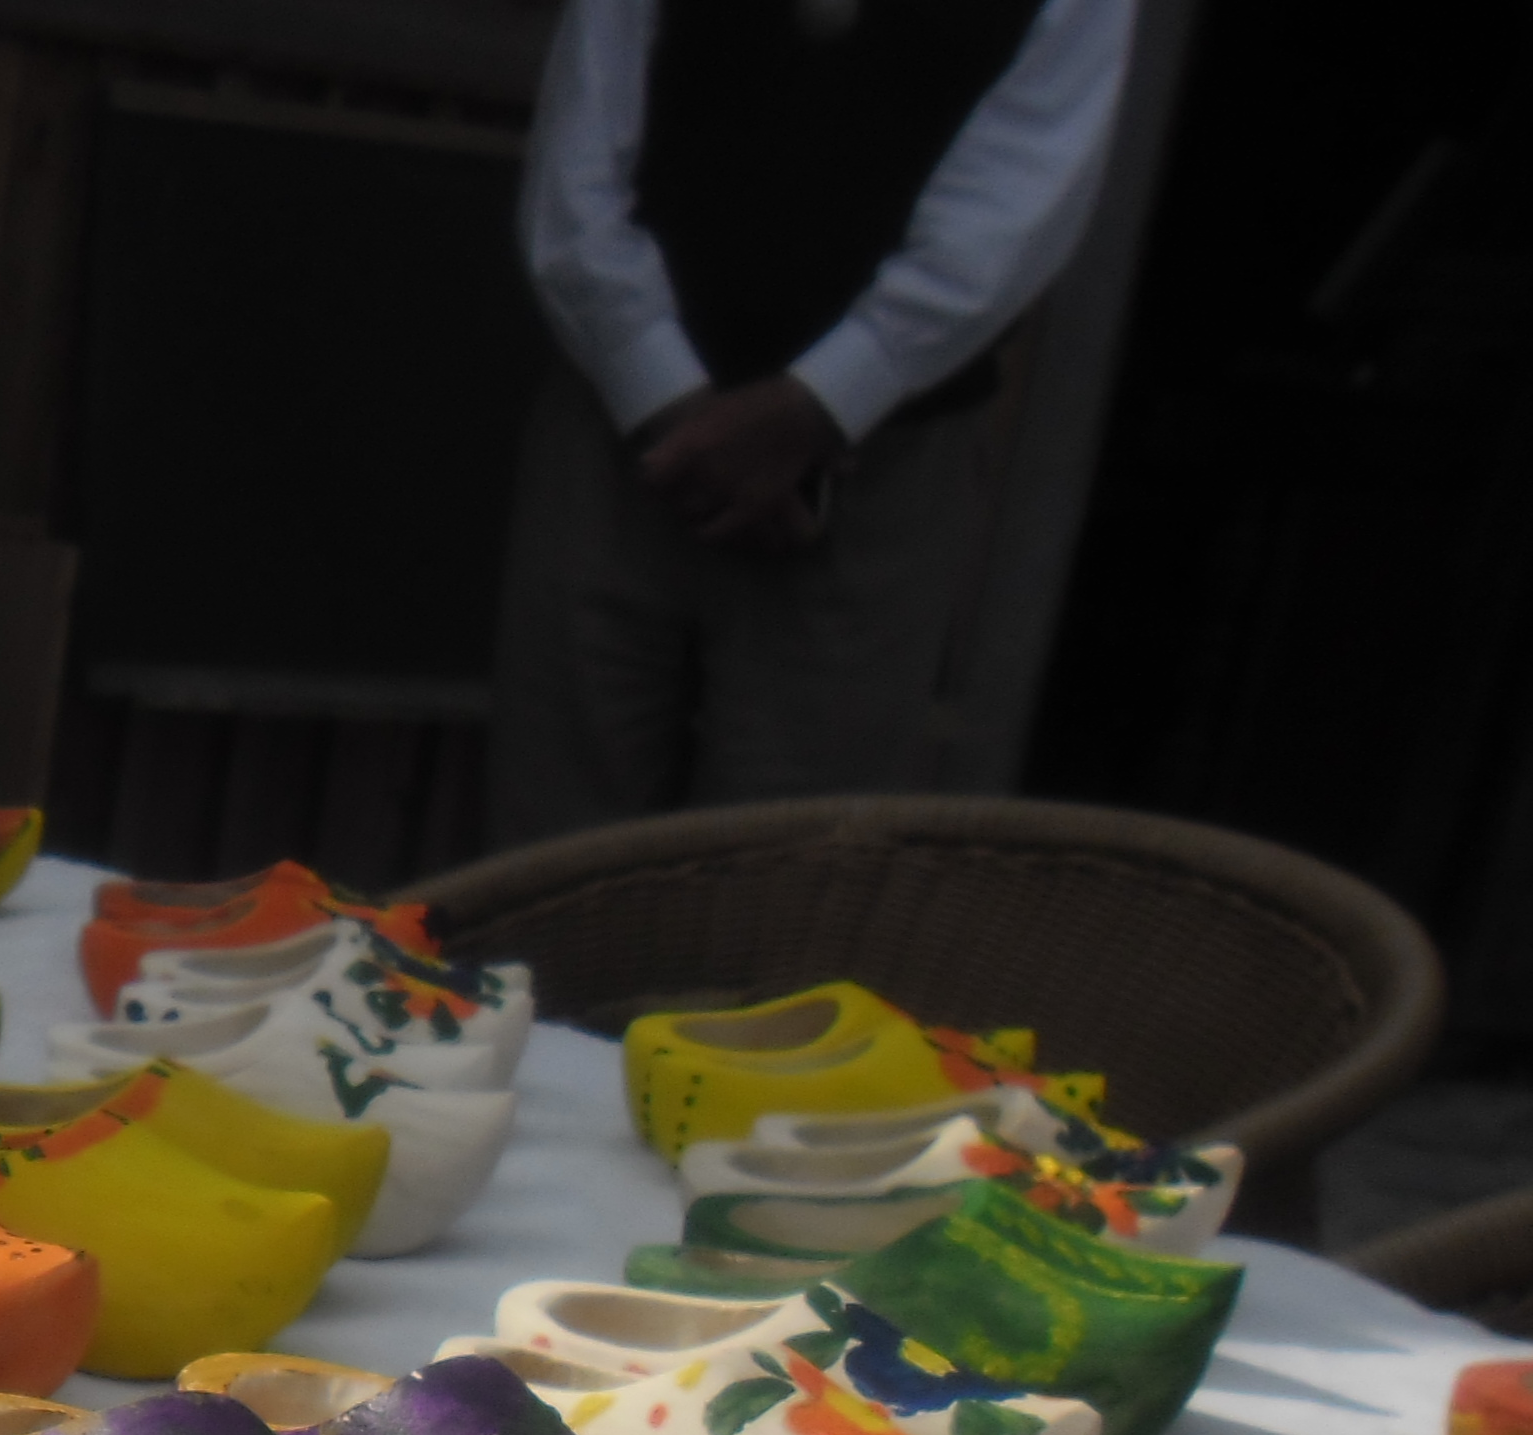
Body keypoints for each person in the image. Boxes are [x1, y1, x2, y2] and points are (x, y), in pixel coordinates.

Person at [488, 0, 1139, 845]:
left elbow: (1017, 195)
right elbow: (582, 147)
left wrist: (823, 401)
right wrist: (658, 387)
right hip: (616, 441)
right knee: (552, 844)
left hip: (877, 475)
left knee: (788, 866)